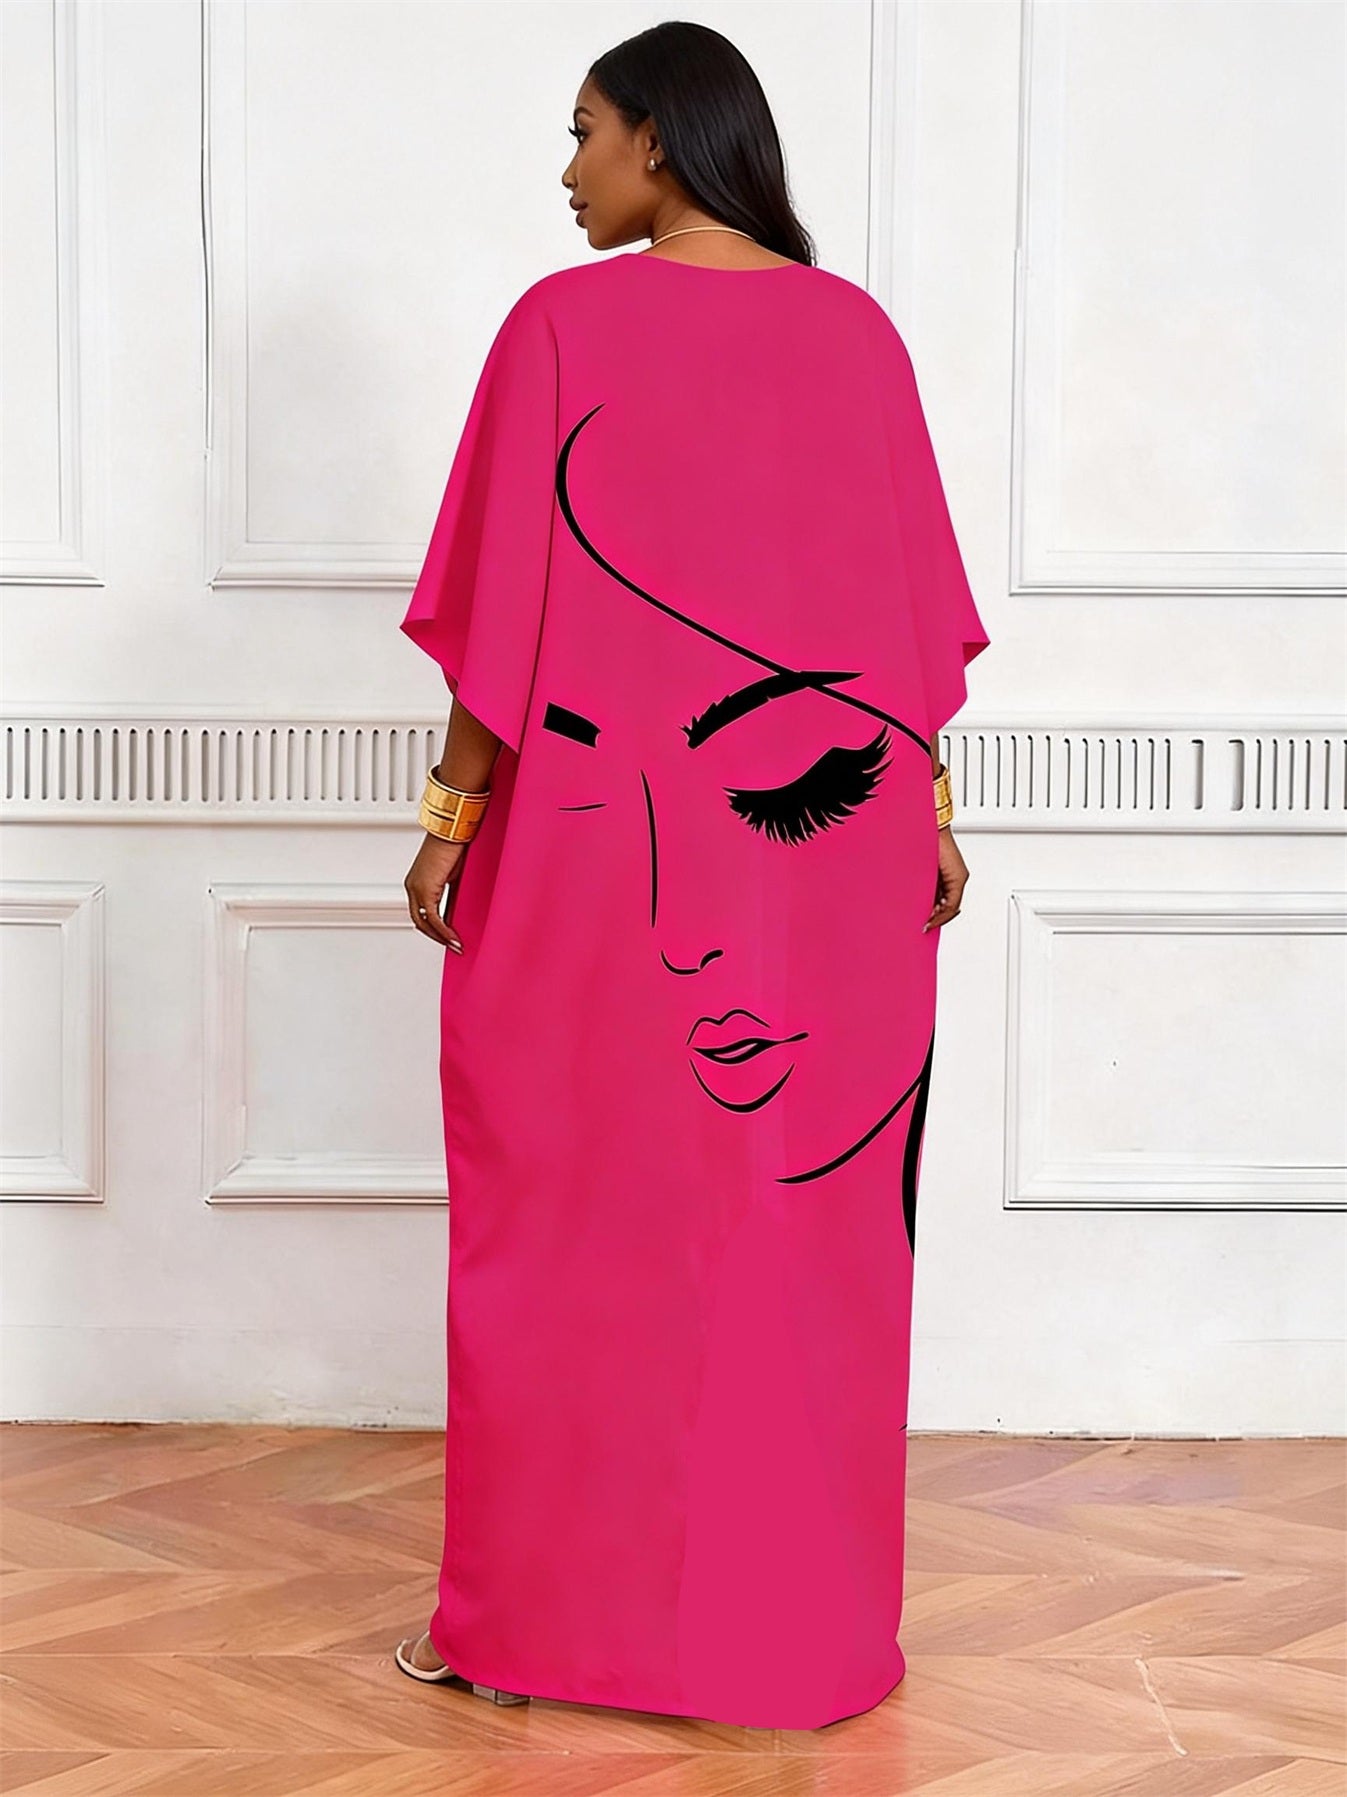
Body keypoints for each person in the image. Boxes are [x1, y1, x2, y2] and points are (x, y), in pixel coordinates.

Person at [393, 19, 990, 1731]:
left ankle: (530, 1625)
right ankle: (788, 1636)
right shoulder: (857, 336)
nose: (568, 170)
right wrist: (931, 811)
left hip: (603, 854)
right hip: (829, 850)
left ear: (660, 137)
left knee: (570, 1223)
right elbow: (891, 632)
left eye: (585, 132)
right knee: (799, 1239)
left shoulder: (562, 326)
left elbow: (504, 623)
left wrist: (451, 818)